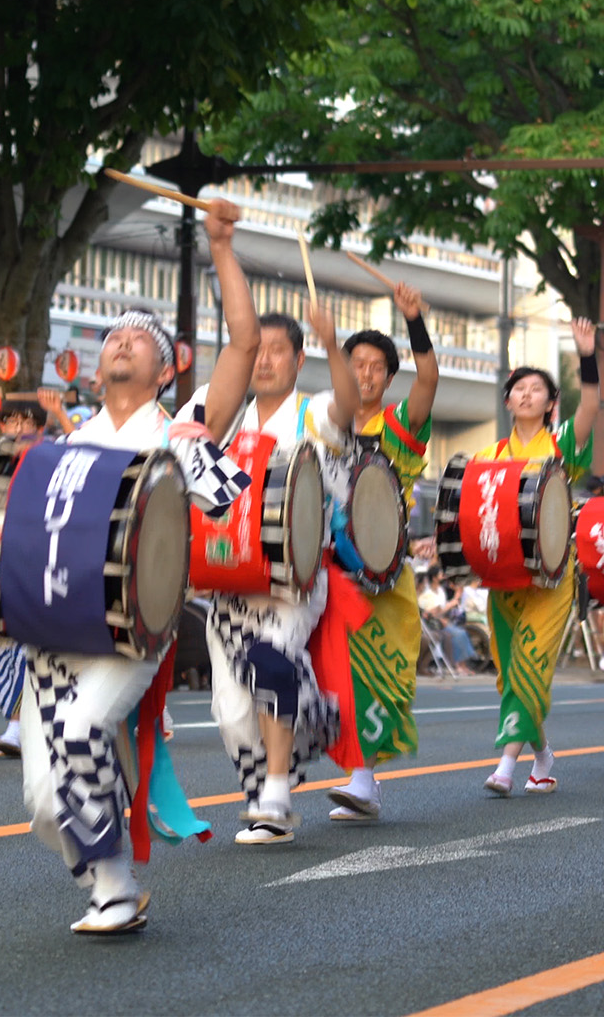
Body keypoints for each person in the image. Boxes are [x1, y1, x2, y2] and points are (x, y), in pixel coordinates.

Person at [13, 277, 249, 933]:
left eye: (136, 339)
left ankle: (113, 891)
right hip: (53, 632)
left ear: (166, 368)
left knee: (86, 731)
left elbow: (240, 356)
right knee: (40, 801)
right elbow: (19, 542)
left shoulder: (175, 434)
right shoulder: (57, 453)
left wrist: (222, 251)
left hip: (131, 630)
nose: (120, 340)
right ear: (98, 367)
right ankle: (111, 881)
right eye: (111, 337)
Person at [180, 197, 361, 846]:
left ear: (295, 359)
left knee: (272, 662)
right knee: (230, 711)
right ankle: (268, 784)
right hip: (225, 578)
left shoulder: (313, 414)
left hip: (289, 573)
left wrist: (335, 344)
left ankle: (277, 796)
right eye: (260, 350)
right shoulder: (219, 412)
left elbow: (350, 404)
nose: (263, 360)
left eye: (279, 351)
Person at [326, 283, 439, 822]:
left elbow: (431, 380)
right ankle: (347, 773)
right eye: (357, 364)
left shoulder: (401, 425)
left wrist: (413, 320)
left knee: (378, 672)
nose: (365, 374)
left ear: (389, 378)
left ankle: (364, 778)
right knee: (335, 671)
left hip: (385, 572)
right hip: (328, 567)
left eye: (376, 367)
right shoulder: (324, 425)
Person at [480, 318, 598, 797]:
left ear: (551, 404)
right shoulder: (489, 454)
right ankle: (543, 756)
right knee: (510, 673)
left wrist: (586, 355)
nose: (526, 395)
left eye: (537, 390)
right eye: (519, 389)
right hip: (504, 577)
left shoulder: (561, 446)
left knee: (531, 663)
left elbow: (590, 405)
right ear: (509, 401)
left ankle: (505, 765)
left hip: (551, 577)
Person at [0, 400, 50, 759]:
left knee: (26, 645)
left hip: (36, 561)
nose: (18, 425)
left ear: (39, 424)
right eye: (10, 418)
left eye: (27, 419)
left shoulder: (48, 456)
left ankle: (17, 726)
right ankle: (20, 722)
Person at [419, 568, 479, 678]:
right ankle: (458, 665)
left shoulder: (441, 591)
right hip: (434, 624)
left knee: (461, 632)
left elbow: (441, 610)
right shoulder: (428, 594)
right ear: (434, 578)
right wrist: (448, 607)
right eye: (440, 574)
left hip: (443, 622)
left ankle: (463, 665)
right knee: (457, 634)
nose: (443, 576)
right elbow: (431, 613)